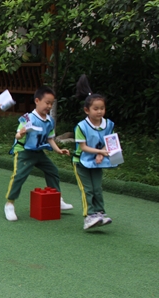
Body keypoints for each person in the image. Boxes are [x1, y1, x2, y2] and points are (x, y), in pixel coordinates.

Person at [4, 86, 73, 221]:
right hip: (24, 152)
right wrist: (20, 133)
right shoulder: (28, 118)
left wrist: (58, 150)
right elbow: (17, 135)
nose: (49, 106)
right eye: (47, 103)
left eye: (51, 103)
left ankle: (57, 199)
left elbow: (50, 138)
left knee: (52, 170)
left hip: (38, 152)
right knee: (19, 176)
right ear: (37, 101)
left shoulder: (50, 121)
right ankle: (9, 204)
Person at [73, 75, 115, 230]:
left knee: (97, 188)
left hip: (97, 162)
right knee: (88, 189)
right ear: (87, 110)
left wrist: (100, 153)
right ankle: (89, 216)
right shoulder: (81, 126)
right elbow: (83, 147)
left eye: (102, 108)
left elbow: (109, 142)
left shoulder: (108, 124)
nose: (99, 112)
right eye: (95, 109)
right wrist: (100, 152)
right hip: (81, 162)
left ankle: (100, 213)